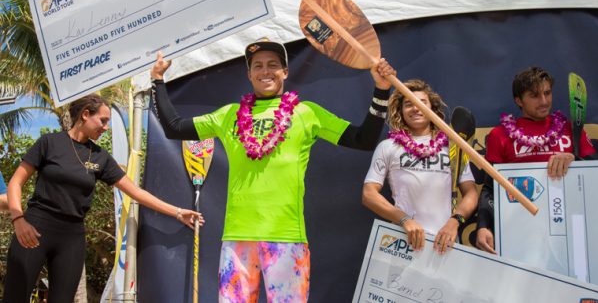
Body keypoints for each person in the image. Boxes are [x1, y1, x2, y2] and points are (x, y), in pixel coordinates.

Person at [150, 38, 395, 302]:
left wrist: (381, 90)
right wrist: (157, 81)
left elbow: (363, 139)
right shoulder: (228, 115)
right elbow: (174, 127)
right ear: (249, 74)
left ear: (285, 72)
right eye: (258, 66)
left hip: (286, 238)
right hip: (238, 238)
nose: (265, 71)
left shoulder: (306, 113)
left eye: (273, 65)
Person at [4, 94, 203, 303]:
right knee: (14, 297)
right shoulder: (49, 143)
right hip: (35, 227)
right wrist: (19, 220)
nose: (106, 127)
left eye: (108, 122)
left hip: (72, 236)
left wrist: (178, 212)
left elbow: (136, 192)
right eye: (103, 120)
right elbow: (15, 183)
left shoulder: (100, 157)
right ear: (85, 115)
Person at [476, 67, 598, 254]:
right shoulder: (499, 135)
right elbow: (490, 188)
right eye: (534, 95)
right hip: (521, 230)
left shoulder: (570, 129)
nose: (544, 101)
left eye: (547, 93)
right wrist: (483, 225)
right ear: (519, 100)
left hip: (572, 227)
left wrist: (575, 158)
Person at [362, 79, 478, 254]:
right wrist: (404, 220)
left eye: (422, 102)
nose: (415, 108)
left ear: (432, 108)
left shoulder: (453, 147)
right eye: (409, 104)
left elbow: (470, 192)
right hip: (403, 242)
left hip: (446, 242)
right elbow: (368, 194)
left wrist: (454, 222)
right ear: (401, 111)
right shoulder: (388, 146)